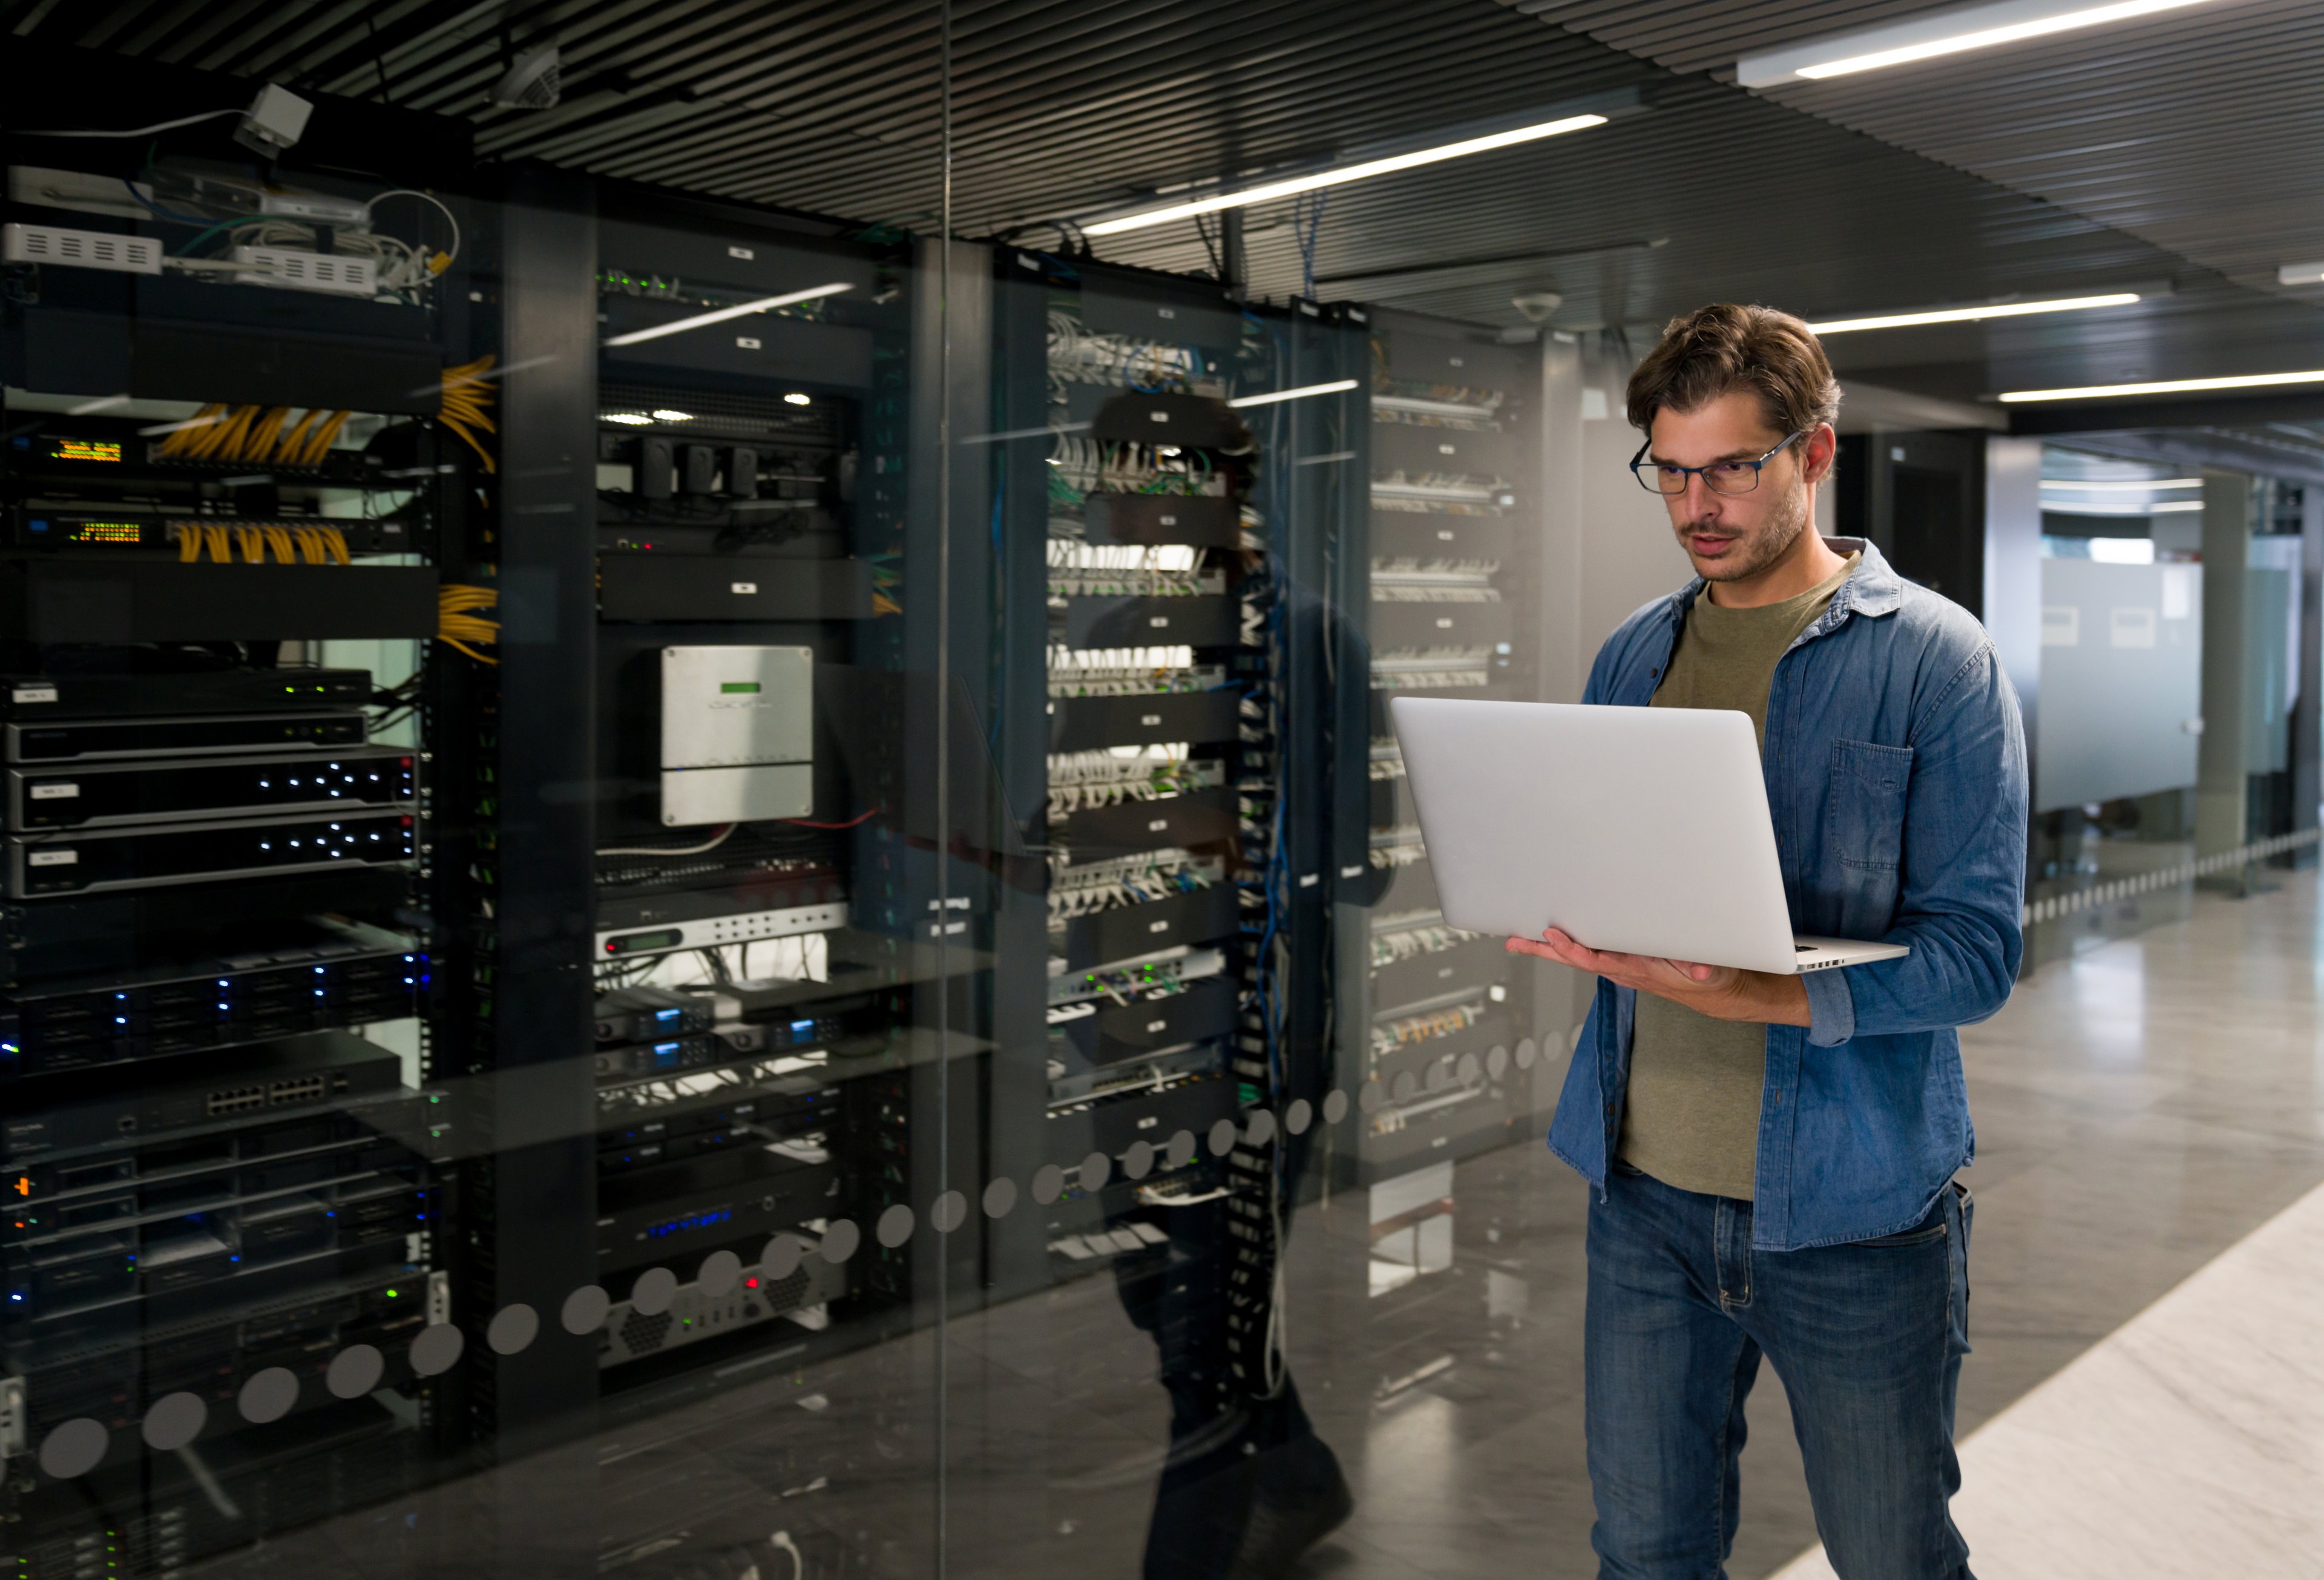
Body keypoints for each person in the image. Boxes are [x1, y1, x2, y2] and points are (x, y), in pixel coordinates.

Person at [1511, 304, 2026, 1579]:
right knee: (1645, 1554)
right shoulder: (1636, 654)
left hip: (1851, 1209)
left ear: (1815, 454)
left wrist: (1770, 995)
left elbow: (1977, 955)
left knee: (1892, 1556)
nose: (1699, 503)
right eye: (1672, 471)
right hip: (1642, 1199)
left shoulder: (1935, 663)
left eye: (1734, 466)